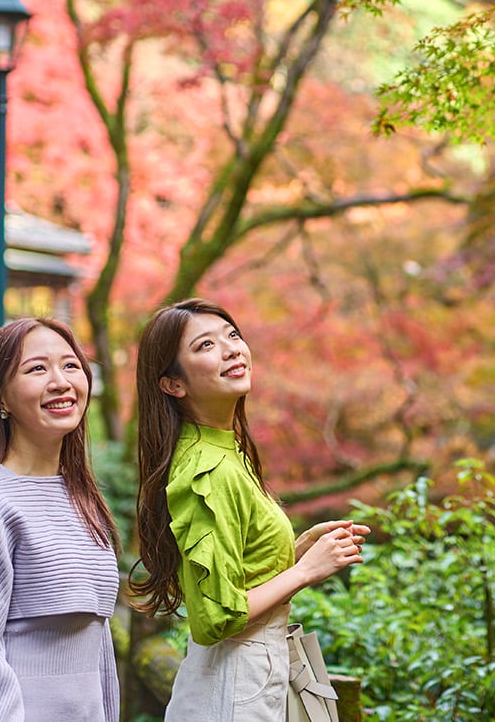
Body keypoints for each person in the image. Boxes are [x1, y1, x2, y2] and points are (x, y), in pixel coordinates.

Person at [131, 298, 369, 722]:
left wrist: (295, 552)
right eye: (205, 345)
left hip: (247, 676)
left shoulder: (224, 449)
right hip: (237, 683)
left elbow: (235, 576)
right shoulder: (206, 468)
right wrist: (305, 572)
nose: (232, 350)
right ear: (173, 384)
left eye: (233, 336)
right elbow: (214, 619)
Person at [0, 318, 121, 721]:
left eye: (71, 365)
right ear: (1, 398)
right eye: (36, 369)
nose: (61, 381)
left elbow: (96, 647)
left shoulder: (83, 499)